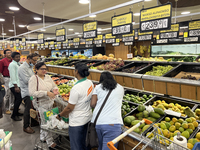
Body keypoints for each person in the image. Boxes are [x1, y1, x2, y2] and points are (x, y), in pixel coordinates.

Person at [56, 63, 94, 150]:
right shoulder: (90, 83)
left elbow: (70, 108)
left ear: (76, 72)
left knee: (76, 146)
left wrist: (60, 115)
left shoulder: (76, 88)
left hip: (77, 121)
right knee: (85, 144)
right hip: (87, 118)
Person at [29, 62, 59, 149]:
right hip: (40, 103)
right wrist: (46, 93)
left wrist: (55, 90)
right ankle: (50, 142)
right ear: (36, 69)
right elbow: (32, 92)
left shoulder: (48, 77)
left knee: (44, 119)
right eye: (42, 69)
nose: (44, 70)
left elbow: (53, 86)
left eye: (45, 69)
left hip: (50, 102)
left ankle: (43, 137)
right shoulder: (33, 79)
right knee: (46, 122)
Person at [90, 71, 124, 150]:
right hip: (113, 123)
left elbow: (92, 104)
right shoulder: (120, 88)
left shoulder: (98, 87)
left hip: (98, 123)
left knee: (101, 147)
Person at [18, 53, 38, 134]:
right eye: (34, 60)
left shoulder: (30, 67)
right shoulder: (22, 68)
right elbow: (27, 80)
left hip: (32, 91)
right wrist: (37, 79)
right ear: (29, 59)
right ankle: (25, 126)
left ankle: (33, 122)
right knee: (28, 109)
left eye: (36, 60)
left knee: (34, 107)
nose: (35, 62)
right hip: (27, 92)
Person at [8, 52, 22, 121]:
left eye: (19, 57)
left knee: (17, 99)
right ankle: (14, 115)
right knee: (18, 99)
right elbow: (13, 76)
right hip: (14, 85)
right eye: (16, 57)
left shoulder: (17, 64)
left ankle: (16, 112)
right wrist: (16, 86)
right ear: (12, 58)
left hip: (18, 84)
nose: (18, 58)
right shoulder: (12, 64)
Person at [0, 49, 13, 115]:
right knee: (7, 93)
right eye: (8, 53)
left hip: (13, 78)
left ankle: (12, 106)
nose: (10, 54)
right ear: (5, 54)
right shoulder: (2, 61)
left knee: (12, 92)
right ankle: (6, 109)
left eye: (10, 52)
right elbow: (0, 72)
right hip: (6, 78)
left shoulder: (13, 60)